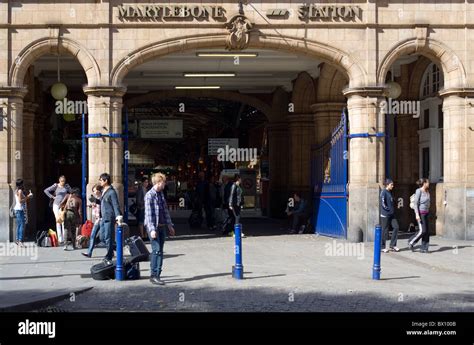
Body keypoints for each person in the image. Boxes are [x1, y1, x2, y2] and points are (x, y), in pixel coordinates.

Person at [144, 173, 176, 285]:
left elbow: (165, 211)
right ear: (158, 182)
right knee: (156, 250)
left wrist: (170, 225)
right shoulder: (149, 195)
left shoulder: (161, 194)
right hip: (154, 227)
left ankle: (157, 274)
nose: (165, 184)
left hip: (162, 226)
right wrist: (152, 229)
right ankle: (154, 275)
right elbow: (148, 215)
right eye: (164, 182)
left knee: (160, 251)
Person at [99, 173, 122, 264]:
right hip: (103, 217)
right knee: (102, 237)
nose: (100, 181)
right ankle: (115, 248)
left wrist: (118, 216)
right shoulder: (104, 190)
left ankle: (108, 256)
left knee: (108, 237)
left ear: (106, 181)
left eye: (101, 180)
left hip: (109, 217)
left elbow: (115, 205)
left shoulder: (112, 192)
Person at [44, 176, 71, 245]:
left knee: (63, 221)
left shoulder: (66, 186)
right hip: (56, 205)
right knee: (58, 220)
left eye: (64, 181)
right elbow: (46, 190)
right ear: (59, 180)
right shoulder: (55, 186)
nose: (63, 182)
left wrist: (68, 195)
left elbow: (71, 193)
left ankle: (64, 238)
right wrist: (52, 197)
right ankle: (60, 239)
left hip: (63, 205)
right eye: (61, 181)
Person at [408, 178, 431, 253]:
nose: (429, 184)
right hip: (420, 213)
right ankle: (411, 241)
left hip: (426, 213)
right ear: (424, 183)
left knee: (427, 232)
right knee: (422, 231)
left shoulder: (427, 191)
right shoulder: (419, 191)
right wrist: (417, 215)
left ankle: (424, 248)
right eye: (427, 182)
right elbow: (415, 204)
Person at [82, 184, 103, 258]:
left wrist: (95, 201)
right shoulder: (97, 198)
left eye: (95, 190)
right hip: (97, 220)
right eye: (93, 191)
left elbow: (100, 203)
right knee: (93, 236)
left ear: (99, 190)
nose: (94, 192)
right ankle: (89, 252)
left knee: (103, 238)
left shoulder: (102, 197)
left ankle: (113, 249)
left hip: (102, 220)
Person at [380, 179, 400, 253]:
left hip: (392, 214)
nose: (393, 186)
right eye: (391, 184)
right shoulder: (384, 192)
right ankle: (382, 247)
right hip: (385, 214)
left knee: (396, 227)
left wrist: (395, 205)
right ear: (387, 185)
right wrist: (387, 209)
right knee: (385, 231)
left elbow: (391, 201)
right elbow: (382, 203)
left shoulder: (389, 192)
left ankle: (392, 245)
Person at [14, 179, 33, 247]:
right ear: (21, 184)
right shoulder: (20, 191)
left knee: (19, 225)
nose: (23, 185)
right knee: (22, 226)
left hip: (18, 210)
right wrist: (28, 196)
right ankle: (20, 241)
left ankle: (17, 240)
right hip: (20, 210)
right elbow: (20, 201)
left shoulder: (16, 190)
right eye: (22, 183)